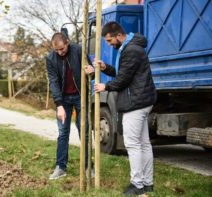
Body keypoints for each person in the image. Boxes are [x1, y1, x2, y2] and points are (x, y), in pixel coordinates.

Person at [85, 21, 156, 196]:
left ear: (118, 35)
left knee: (133, 144)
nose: (109, 44)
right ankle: (147, 183)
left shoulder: (131, 50)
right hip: (142, 100)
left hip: (136, 102)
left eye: (109, 40)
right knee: (144, 144)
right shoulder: (131, 47)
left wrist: (105, 87)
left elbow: (123, 79)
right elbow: (122, 72)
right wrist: (105, 68)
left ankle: (137, 185)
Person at [46, 32, 90, 180]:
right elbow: (53, 81)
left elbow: (90, 72)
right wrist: (58, 104)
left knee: (83, 131)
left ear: (67, 43)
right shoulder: (50, 58)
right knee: (63, 132)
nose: (59, 52)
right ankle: (60, 167)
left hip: (80, 96)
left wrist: (92, 71)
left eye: (62, 49)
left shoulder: (79, 51)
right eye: (56, 50)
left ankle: (87, 166)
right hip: (63, 99)